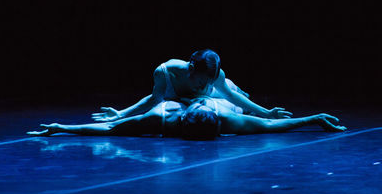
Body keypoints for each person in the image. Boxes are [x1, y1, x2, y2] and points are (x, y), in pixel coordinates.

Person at [91, 49, 293, 122]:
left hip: (218, 94)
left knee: (242, 102)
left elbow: (230, 95)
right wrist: (121, 114)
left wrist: (267, 113)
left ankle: (247, 96)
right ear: (190, 69)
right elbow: (154, 98)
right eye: (201, 81)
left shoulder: (215, 78)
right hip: (199, 99)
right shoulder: (165, 72)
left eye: (209, 81)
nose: (202, 84)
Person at [27, 98, 347, 139]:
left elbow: (270, 123)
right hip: (221, 104)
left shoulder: (222, 117)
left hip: (224, 102)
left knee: (230, 91)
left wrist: (315, 117)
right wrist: (62, 127)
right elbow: (111, 127)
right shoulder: (160, 118)